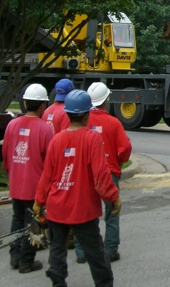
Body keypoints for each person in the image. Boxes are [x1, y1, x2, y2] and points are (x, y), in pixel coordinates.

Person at [34, 89, 121, 287]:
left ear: (68, 113)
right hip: (82, 208)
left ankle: (57, 278)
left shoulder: (56, 140)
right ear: (87, 114)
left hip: (57, 207)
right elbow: (101, 175)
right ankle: (104, 283)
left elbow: (47, 176)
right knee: (95, 252)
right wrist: (113, 197)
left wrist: (39, 201)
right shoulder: (92, 139)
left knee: (57, 248)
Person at [74, 82, 132, 264]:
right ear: (106, 100)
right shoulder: (113, 123)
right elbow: (125, 147)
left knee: (83, 213)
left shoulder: (83, 121)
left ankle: (81, 251)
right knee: (112, 212)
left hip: (86, 173)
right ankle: (110, 250)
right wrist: (119, 162)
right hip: (109, 173)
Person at [2, 83, 53, 273]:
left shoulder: (12, 125)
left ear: (24, 103)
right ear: (42, 106)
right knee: (33, 222)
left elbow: (6, 154)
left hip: (16, 182)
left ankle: (14, 255)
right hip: (35, 186)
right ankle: (26, 261)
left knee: (17, 218)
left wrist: (11, 172)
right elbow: (50, 162)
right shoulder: (45, 129)